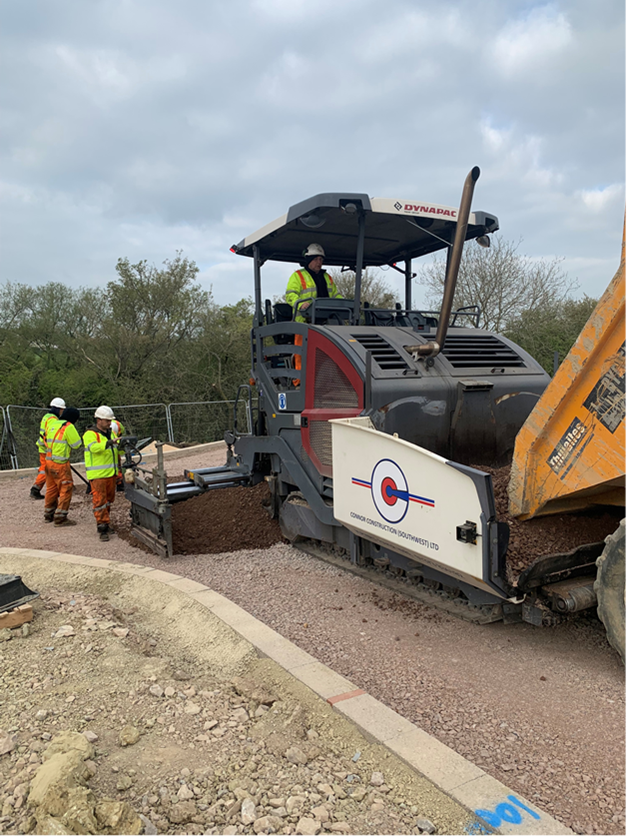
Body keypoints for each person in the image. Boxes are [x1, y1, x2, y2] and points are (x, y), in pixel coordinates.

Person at [83, 405, 119, 542]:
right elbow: (94, 448)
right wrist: (109, 443)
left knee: (108, 500)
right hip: (98, 475)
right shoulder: (90, 434)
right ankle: (102, 527)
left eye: (110, 421)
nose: (110, 423)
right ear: (99, 420)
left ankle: (106, 522)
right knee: (100, 501)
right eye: (107, 420)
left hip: (110, 473)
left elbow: (115, 449)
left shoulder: (110, 433)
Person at [43, 407, 82, 526]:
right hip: (60, 463)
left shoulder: (53, 424)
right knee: (66, 488)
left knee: (51, 488)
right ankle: (60, 517)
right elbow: (76, 444)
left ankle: (48, 514)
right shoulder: (68, 427)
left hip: (48, 461)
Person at [285, 243, 342, 322]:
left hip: (327, 322)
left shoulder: (327, 277)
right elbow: (290, 295)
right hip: (303, 324)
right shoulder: (297, 275)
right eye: (315, 259)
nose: (319, 262)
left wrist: (344, 304)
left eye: (321, 259)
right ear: (309, 260)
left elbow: (336, 295)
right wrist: (301, 304)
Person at [30, 397, 65, 499]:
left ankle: (43, 488)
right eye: (62, 410)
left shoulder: (46, 417)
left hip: (43, 447)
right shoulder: (53, 420)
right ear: (58, 409)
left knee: (46, 469)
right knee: (47, 469)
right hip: (47, 449)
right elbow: (51, 434)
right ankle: (36, 489)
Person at [110, 416, 126, 491]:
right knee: (117, 463)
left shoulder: (104, 425)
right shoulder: (116, 427)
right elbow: (119, 447)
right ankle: (119, 483)